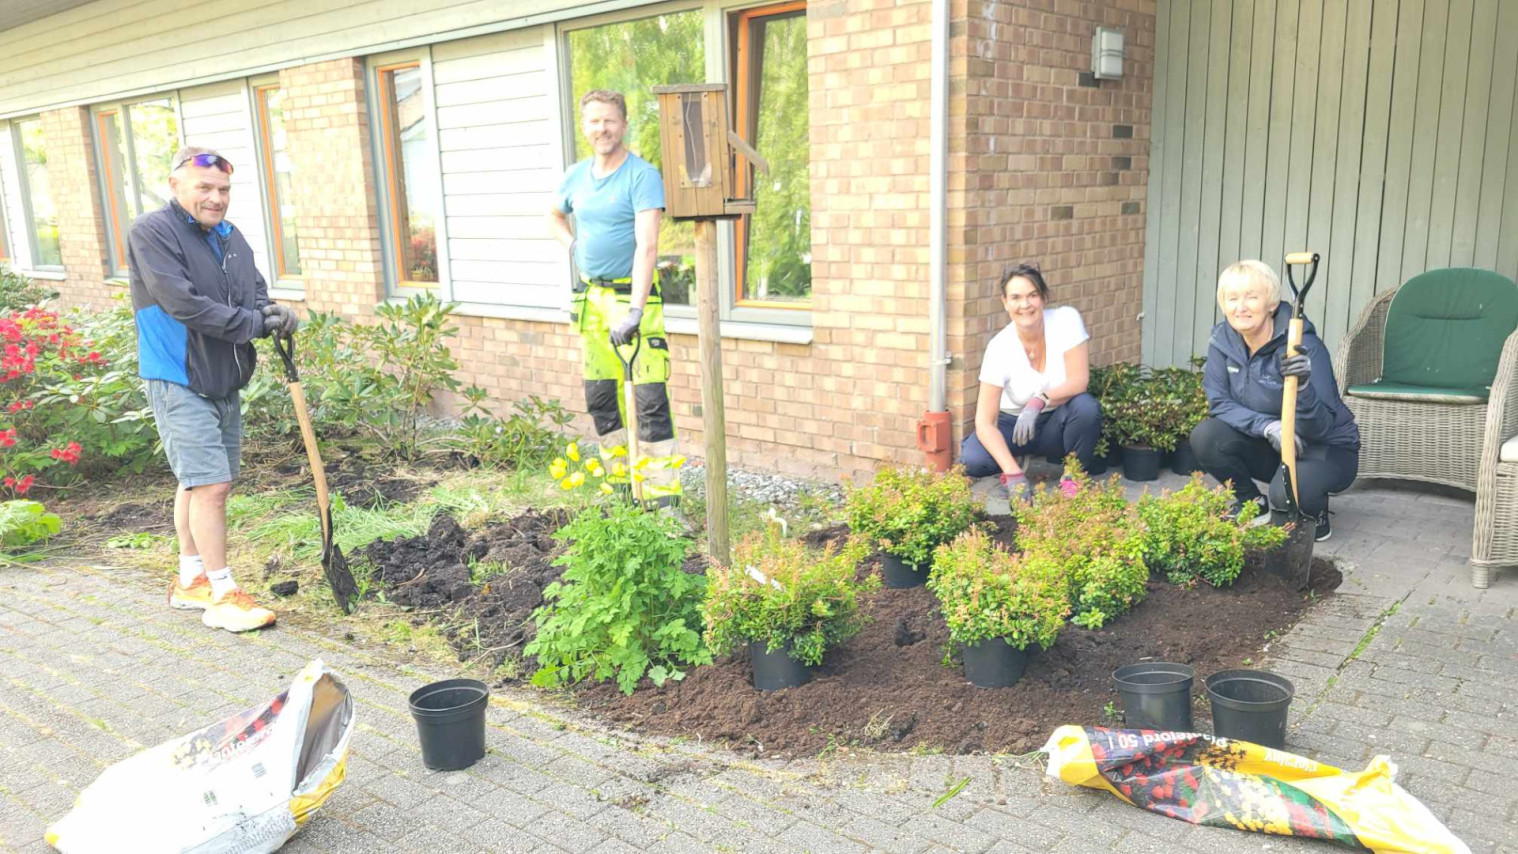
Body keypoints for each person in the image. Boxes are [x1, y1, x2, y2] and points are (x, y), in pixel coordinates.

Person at [129, 146, 299, 632]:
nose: (216, 198)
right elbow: (182, 303)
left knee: (198, 482)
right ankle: (223, 594)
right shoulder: (153, 232)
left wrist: (272, 313)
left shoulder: (230, 237)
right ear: (175, 186)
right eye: (204, 187)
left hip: (223, 374)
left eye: (223, 189)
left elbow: (254, 292)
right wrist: (252, 324)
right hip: (178, 373)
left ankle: (191, 580)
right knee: (212, 486)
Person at [546, 89, 682, 504]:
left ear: (623, 124)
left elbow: (648, 246)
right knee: (602, 399)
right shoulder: (575, 177)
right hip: (592, 301)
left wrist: (636, 310)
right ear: (584, 127)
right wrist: (573, 246)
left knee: (650, 402)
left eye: (609, 120)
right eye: (594, 121)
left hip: (631, 299)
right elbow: (554, 215)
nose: (601, 128)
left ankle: (661, 499)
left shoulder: (642, 176)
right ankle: (622, 489)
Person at [1192, 260, 1360, 541]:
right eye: (1232, 299)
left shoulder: (1303, 347)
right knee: (1206, 436)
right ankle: (1252, 503)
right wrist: (1269, 426)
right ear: (1223, 305)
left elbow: (1321, 427)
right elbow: (1219, 402)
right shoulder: (1223, 342)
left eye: (1251, 297)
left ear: (1271, 304)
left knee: (1288, 496)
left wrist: (1303, 388)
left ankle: (1313, 510)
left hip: (1324, 449)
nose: (1241, 307)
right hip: (1273, 442)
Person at [961, 263, 1102, 501]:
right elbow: (984, 422)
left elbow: (1079, 381)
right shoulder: (999, 347)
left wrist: (1040, 400)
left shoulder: (1066, 320)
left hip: (1055, 422)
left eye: (1032, 295)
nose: (1025, 304)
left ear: (1043, 297)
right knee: (973, 460)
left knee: (1086, 407)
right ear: (1005, 302)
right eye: (1016, 297)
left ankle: (1072, 477)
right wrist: (1012, 473)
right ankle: (1014, 463)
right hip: (1012, 425)